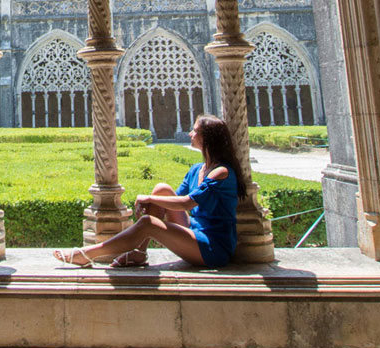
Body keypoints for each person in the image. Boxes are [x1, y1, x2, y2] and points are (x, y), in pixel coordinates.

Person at [53, 113, 246, 269]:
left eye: (194, 131)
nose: (189, 133)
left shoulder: (221, 172)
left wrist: (147, 198)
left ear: (207, 138)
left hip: (212, 247)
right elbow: (174, 199)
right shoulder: (198, 169)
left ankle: (88, 254)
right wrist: (153, 199)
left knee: (147, 223)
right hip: (195, 232)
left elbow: (187, 203)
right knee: (161, 190)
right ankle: (138, 254)